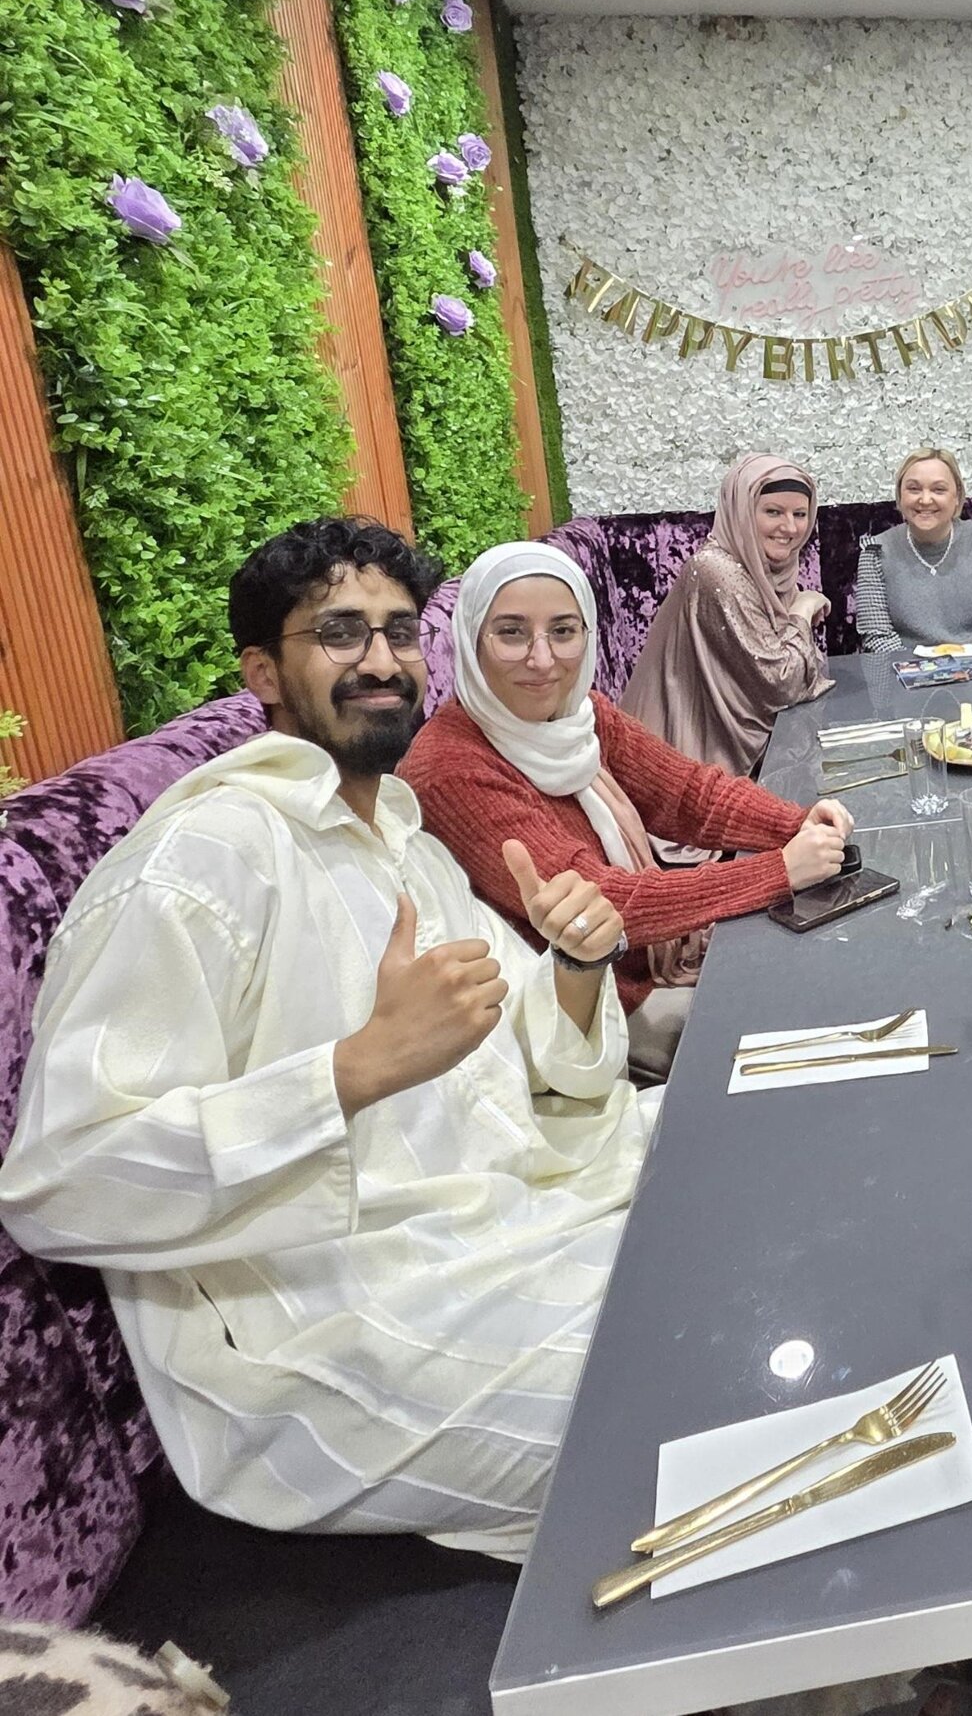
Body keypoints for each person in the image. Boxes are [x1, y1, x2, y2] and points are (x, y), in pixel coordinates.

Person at [0, 517, 649, 1556]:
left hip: (500, 1212)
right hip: (332, 1328)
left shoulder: (396, 828)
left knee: (762, 1164)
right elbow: (59, 1179)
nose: (382, 659)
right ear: (262, 669)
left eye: (398, 632)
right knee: (693, 1389)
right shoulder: (204, 858)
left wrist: (573, 965)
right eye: (340, 633)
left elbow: (527, 1046)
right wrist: (352, 1071)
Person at [401, 541, 854, 1081]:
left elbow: (688, 795)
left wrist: (797, 823)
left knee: (835, 981)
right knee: (812, 1034)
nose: (542, 659)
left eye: (563, 631)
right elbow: (601, 906)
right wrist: (779, 870)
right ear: (469, 641)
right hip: (586, 1018)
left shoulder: (577, 714)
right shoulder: (452, 768)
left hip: (645, 966)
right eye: (512, 632)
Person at [620, 452, 833, 776]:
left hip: (750, 747)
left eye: (800, 514)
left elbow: (795, 669)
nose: (790, 528)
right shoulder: (718, 571)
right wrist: (801, 611)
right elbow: (781, 684)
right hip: (686, 769)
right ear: (742, 513)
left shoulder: (770, 568)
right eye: (773, 511)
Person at [854, 449, 972, 655]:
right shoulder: (875, 552)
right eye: (914, 489)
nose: (925, 500)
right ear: (899, 496)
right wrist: (918, 672)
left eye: (938, 490)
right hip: (904, 675)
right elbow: (877, 636)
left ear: (957, 497)